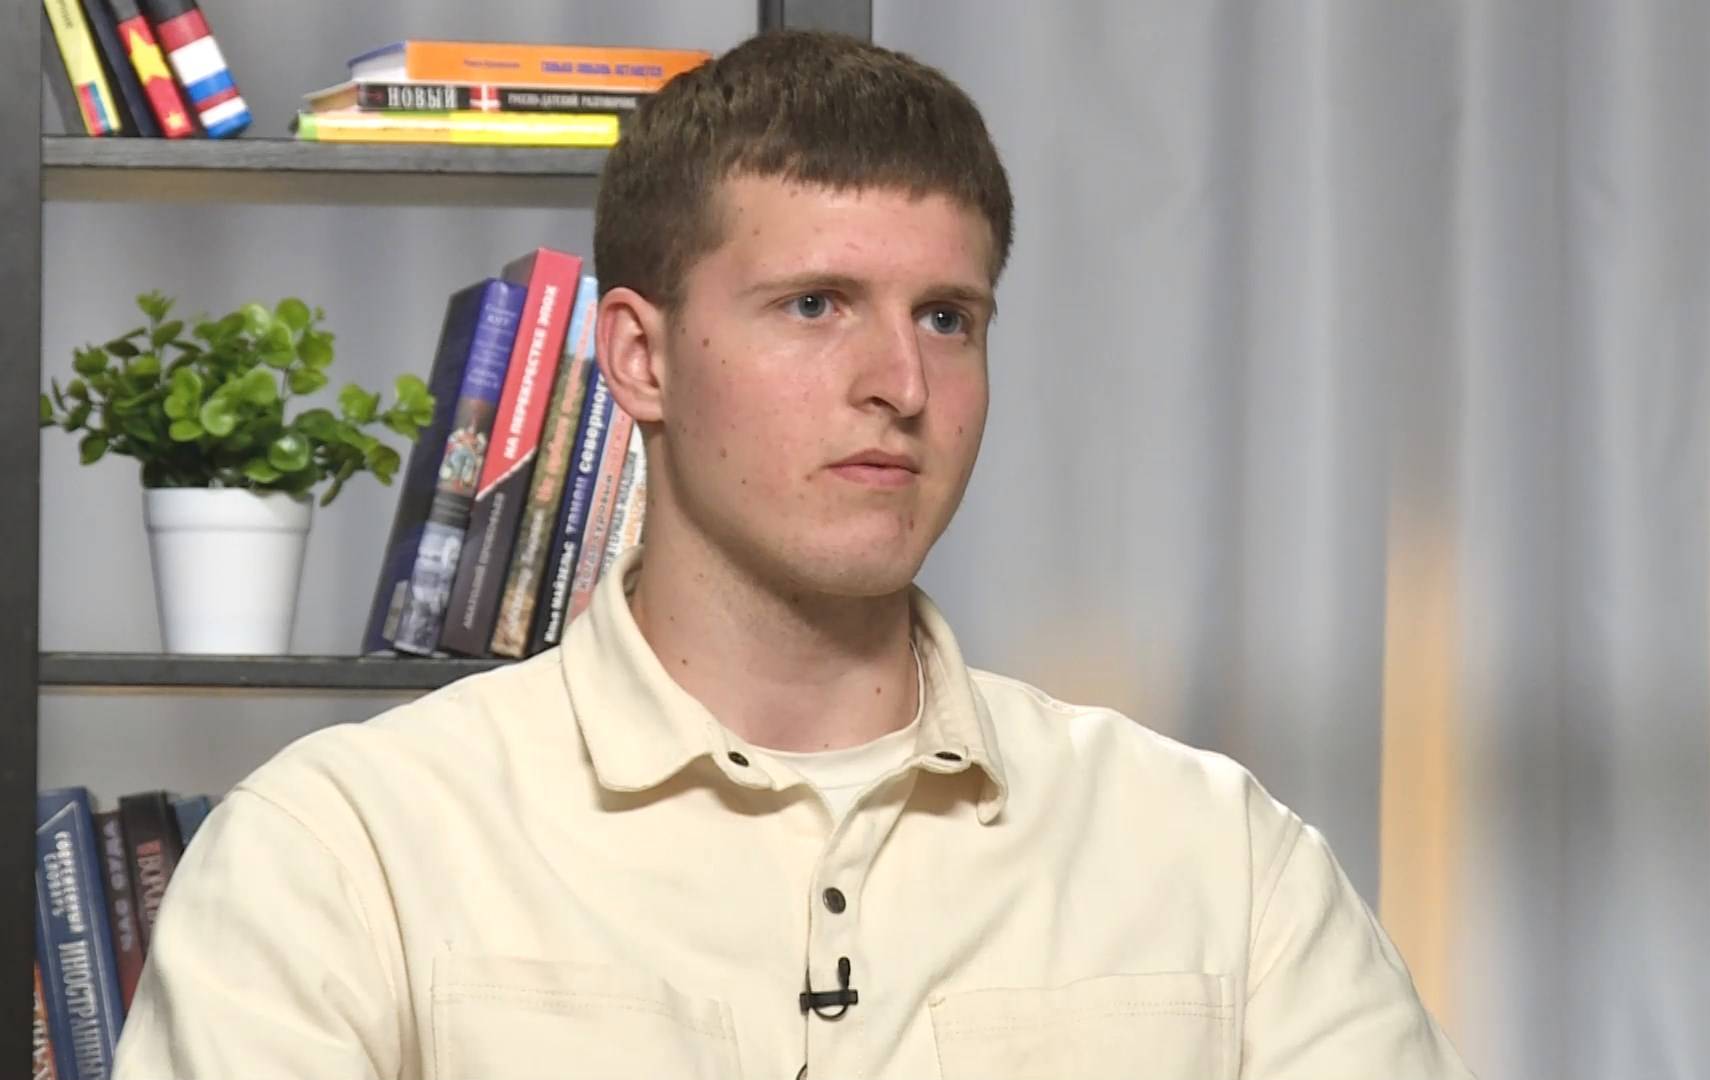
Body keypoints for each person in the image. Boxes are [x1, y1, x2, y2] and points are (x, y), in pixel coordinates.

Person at [113, 29, 1474, 1080]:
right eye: (817, 304)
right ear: (638, 357)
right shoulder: (348, 851)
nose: (900, 382)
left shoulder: (1216, 858)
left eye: (947, 317)